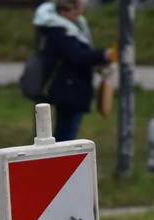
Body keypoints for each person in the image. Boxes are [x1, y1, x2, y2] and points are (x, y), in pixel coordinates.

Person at [32, 0, 115, 142]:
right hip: (67, 91)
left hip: (73, 89)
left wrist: (96, 61)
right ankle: (58, 163)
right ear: (64, 12)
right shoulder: (59, 31)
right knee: (65, 136)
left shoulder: (71, 29)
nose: (80, 14)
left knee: (68, 133)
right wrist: (103, 55)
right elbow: (75, 55)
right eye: (76, 10)